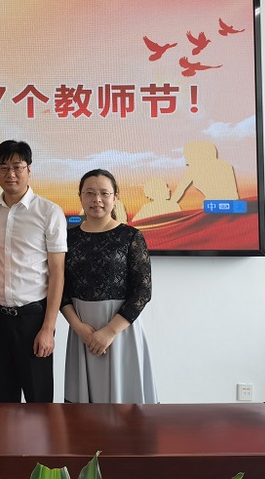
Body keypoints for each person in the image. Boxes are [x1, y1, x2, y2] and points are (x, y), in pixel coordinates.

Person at [0, 140, 67, 403]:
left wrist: (48, 328)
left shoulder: (49, 212)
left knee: (39, 402)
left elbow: (57, 273)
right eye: (3, 167)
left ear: (29, 170)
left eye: (17, 166)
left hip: (33, 319)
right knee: (3, 401)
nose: (11, 174)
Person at [61, 169, 158, 404]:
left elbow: (143, 291)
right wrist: (79, 328)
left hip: (121, 331)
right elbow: (60, 289)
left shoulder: (131, 236)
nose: (97, 199)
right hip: (82, 331)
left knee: (126, 409)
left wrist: (109, 332)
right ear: (80, 196)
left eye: (104, 193)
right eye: (90, 193)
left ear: (115, 197)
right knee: (83, 413)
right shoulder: (67, 238)